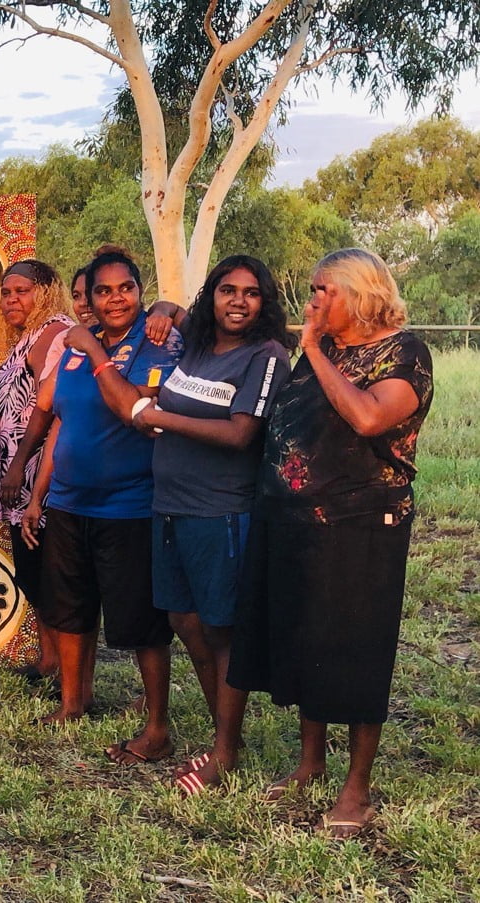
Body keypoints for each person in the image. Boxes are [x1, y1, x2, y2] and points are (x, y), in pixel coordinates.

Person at [227, 248, 432, 838]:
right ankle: (310, 764)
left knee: (356, 649)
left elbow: (369, 419)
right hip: (290, 520)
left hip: (361, 524)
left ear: (360, 292)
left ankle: (356, 788)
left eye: (324, 290)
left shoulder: (404, 351)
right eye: (313, 290)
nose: (312, 302)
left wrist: (313, 349)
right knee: (302, 641)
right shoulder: (327, 349)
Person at [125, 257, 292, 794]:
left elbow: (242, 434)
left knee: (220, 630)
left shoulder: (266, 357)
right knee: (184, 621)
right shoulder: (196, 346)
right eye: (227, 290)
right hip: (169, 505)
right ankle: (227, 731)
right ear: (212, 297)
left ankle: (224, 752)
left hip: (220, 510)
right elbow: (164, 318)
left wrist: (156, 416)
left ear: (264, 302)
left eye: (250, 293)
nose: (238, 301)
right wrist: (166, 307)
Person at [22, 246, 181, 765]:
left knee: (140, 622)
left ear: (140, 291)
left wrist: (95, 346)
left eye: (126, 289)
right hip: (69, 502)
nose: (116, 299)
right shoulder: (68, 351)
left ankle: (157, 725)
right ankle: (74, 701)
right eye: (103, 291)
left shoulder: (156, 342)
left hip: (129, 505)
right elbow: (59, 420)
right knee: (69, 608)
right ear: (88, 298)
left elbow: (140, 409)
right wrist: (37, 495)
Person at [0, 259, 73, 679]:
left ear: (46, 293)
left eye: (22, 291)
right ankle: (49, 659)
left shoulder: (54, 333)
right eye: (6, 293)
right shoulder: (31, 336)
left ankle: (62, 668)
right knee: (32, 572)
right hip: (19, 474)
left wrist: (17, 469)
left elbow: (50, 410)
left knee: (46, 573)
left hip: (38, 475)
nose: (11, 300)